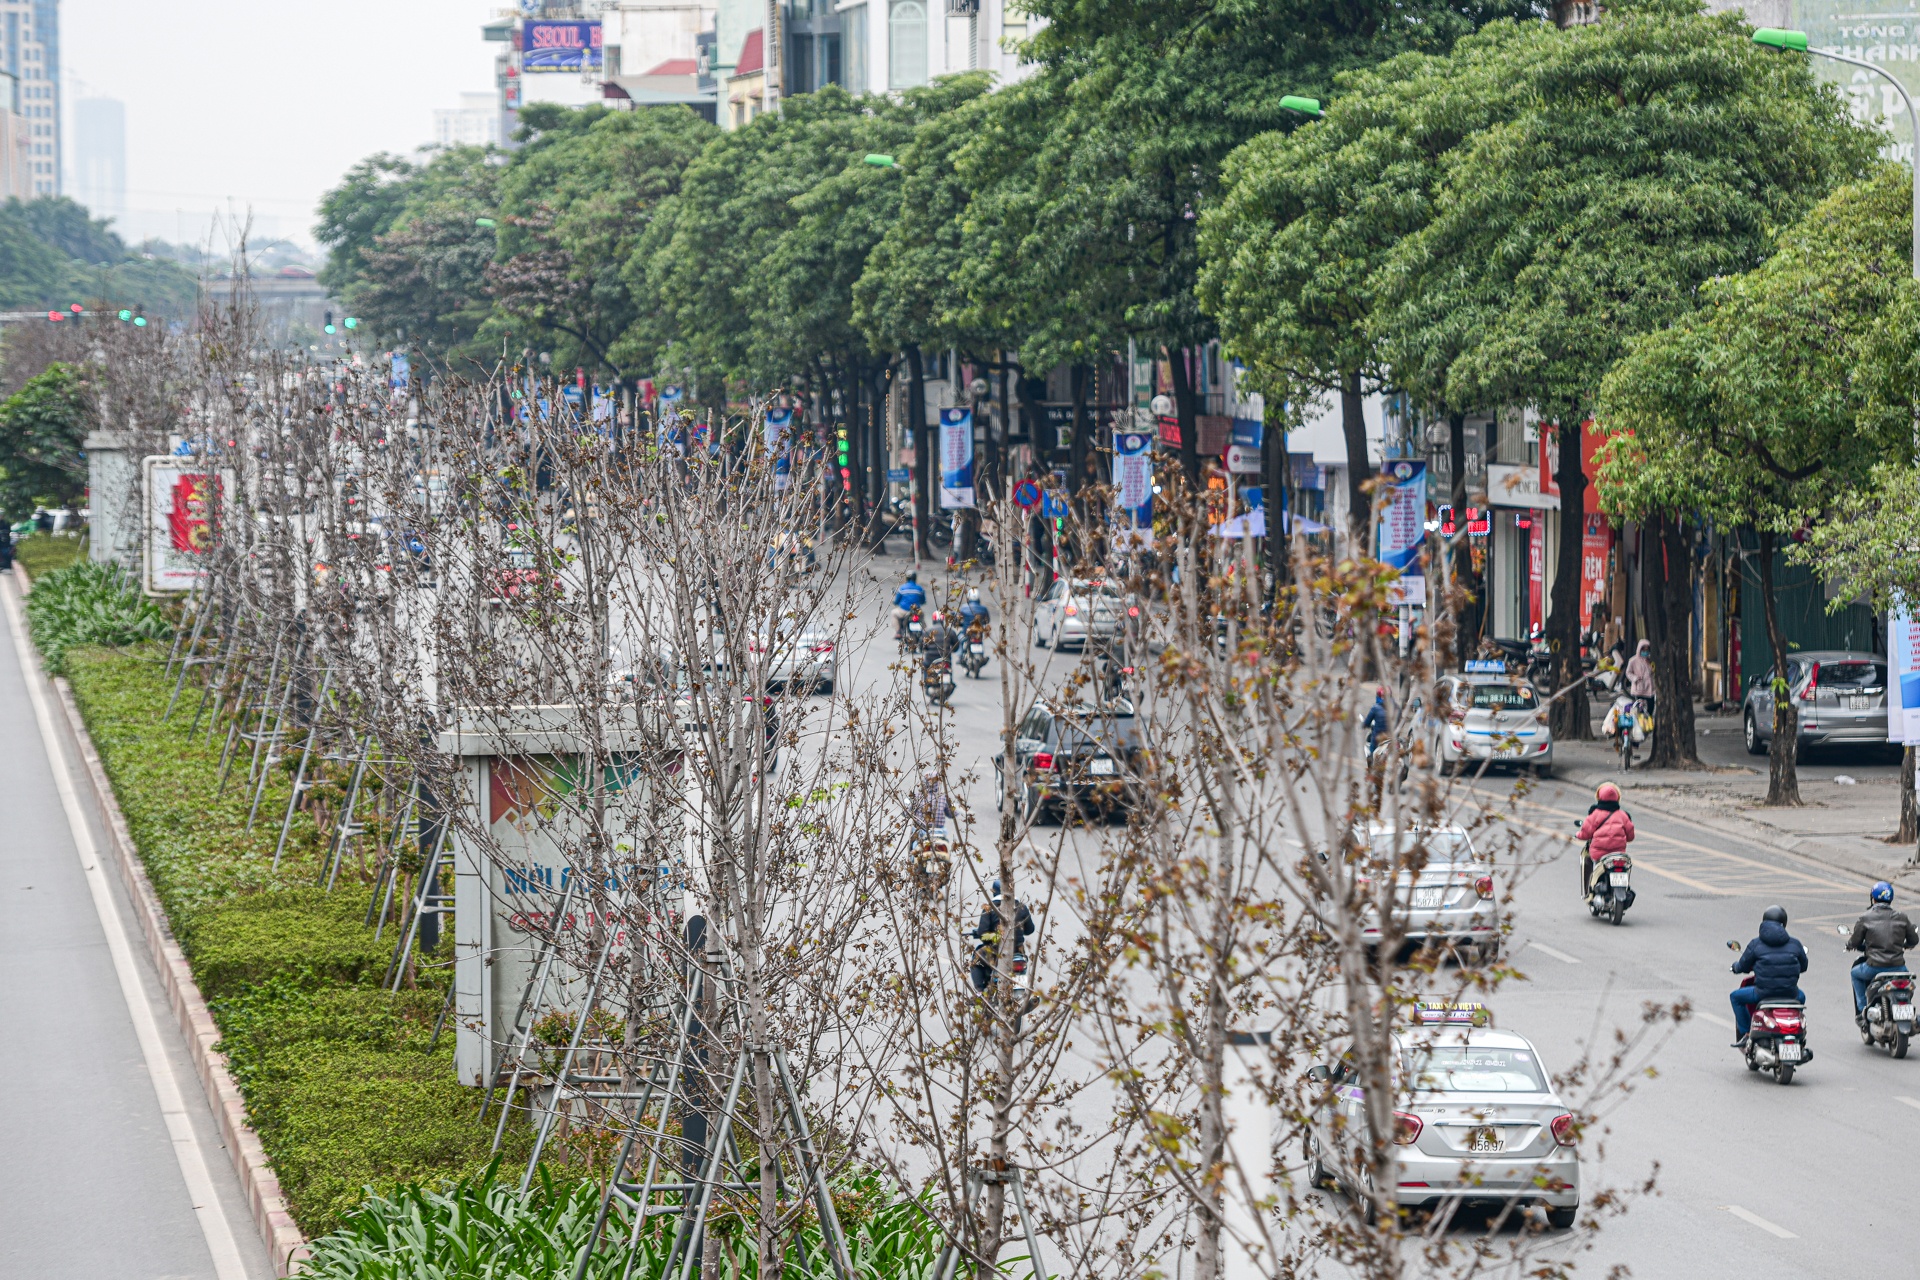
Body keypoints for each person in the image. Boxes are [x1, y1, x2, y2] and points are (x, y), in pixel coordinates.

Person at [1729, 905, 1809, 1046]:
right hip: (1790, 994)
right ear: (1784, 923)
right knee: (1801, 997)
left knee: (1735, 997)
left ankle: (1746, 1033)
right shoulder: (1795, 944)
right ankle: (1794, 1027)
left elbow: (1743, 966)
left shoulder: (1755, 944)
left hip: (1763, 994)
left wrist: (1735, 967)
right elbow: (1803, 967)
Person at [1845, 881, 1917, 1015]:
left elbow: (1855, 941)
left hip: (1874, 967)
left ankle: (1862, 1010)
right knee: (1908, 985)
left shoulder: (1866, 918)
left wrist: (1849, 945)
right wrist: (1906, 945)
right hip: (1899, 967)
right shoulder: (1902, 917)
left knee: (1855, 974)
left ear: (1873, 898)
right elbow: (1914, 940)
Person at [970, 878, 1036, 993]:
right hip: (1018, 951)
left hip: (997, 951)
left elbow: (982, 934)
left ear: (994, 891)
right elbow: (1030, 929)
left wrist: (991, 937)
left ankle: (980, 992)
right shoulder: (1021, 907)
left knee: (976, 961)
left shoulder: (990, 908)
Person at [1574, 782, 1634, 896]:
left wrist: (1578, 835)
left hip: (1599, 854)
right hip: (1618, 853)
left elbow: (1585, 834)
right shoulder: (1623, 815)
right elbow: (1630, 836)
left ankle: (1590, 892)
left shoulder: (1594, 814)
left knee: (1591, 863)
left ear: (1599, 797)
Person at [892, 571, 926, 638]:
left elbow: (897, 601)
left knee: (893, 613)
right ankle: (925, 632)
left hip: (904, 611)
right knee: (922, 620)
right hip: (916, 611)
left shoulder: (902, 588)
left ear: (907, 578)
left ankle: (898, 632)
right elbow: (923, 601)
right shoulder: (920, 588)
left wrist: (895, 602)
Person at [1363, 687, 1389, 755]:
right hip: (1390, 736)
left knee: (1372, 747)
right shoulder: (1394, 707)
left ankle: (1372, 758)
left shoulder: (1375, 708)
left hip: (1378, 735)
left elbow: (1367, 721)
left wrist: (1364, 725)